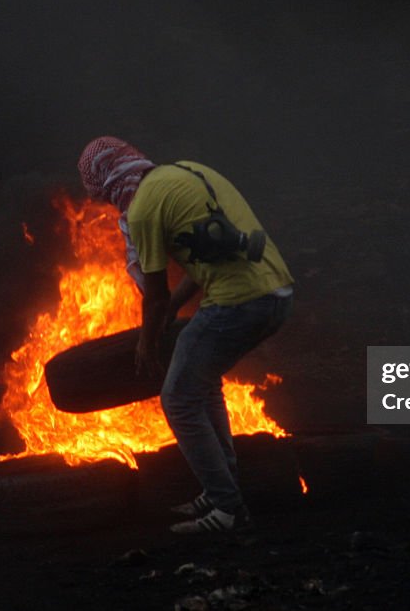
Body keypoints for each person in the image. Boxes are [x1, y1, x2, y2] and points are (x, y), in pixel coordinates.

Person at [77, 136, 294, 534]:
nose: (109, 203)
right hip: (277, 293)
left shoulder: (142, 210)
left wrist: (147, 341)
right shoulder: (187, 173)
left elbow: (154, 295)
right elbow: (208, 256)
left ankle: (227, 511)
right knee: (202, 380)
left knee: (177, 399)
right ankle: (221, 489)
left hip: (238, 303)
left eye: (104, 195)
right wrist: (177, 306)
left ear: (110, 181)